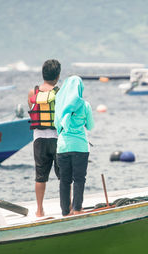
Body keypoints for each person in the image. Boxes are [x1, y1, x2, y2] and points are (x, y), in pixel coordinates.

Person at [54, 75, 94, 216]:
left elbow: (56, 125)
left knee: (64, 181)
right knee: (79, 179)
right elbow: (90, 126)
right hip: (80, 147)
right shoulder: (85, 105)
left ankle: (66, 211)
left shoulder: (60, 105)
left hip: (63, 147)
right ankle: (77, 209)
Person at [28, 59, 61, 217]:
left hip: (39, 138)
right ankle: (66, 205)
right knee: (64, 174)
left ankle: (39, 210)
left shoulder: (32, 92)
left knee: (40, 176)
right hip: (57, 138)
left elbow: (31, 108)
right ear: (58, 75)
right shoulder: (59, 92)